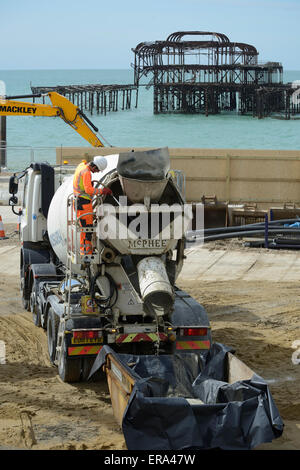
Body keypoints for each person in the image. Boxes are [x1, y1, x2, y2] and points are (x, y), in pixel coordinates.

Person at [73, 156, 112, 255]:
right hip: (84, 203)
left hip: (79, 201)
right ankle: (86, 252)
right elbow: (88, 190)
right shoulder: (86, 172)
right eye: (98, 170)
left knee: (84, 228)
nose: (97, 172)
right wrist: (102, 191)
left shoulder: (81, 166)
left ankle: (85, 251)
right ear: (94, 167)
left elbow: (81, 183)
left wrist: (88, 184)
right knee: (87, 228)